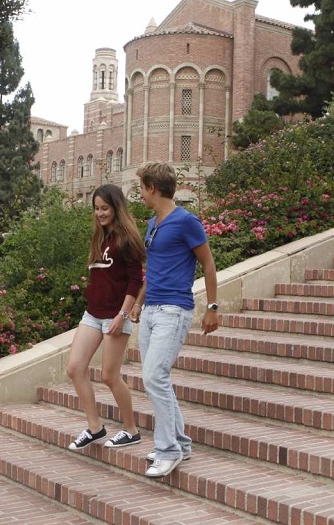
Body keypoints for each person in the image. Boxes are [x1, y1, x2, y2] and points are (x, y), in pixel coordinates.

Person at [129, 161, 219, 478]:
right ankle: (179, 442)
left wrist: (213, 307)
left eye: (141, 188)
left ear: (153, 188)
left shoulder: (186, 221)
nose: (139, 194)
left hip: (174, 309)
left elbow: (208, 265)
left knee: (154, 377)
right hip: (152, 309)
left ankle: (167, 451)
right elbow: (152, 271)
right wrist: (139, 303)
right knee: (156, 378)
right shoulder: (153, 223)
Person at [66, 184, 145, 451]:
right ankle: (94, 427)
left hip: (115, 315)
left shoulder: (126, 239)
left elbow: (135, 281)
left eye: (105, 208)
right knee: (75, 368)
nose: (99, 213)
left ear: (116, 208)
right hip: (93, 313)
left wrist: (123, 315)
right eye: (96, 208)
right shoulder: (98, 238)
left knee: (110, 376)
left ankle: (131, 430)